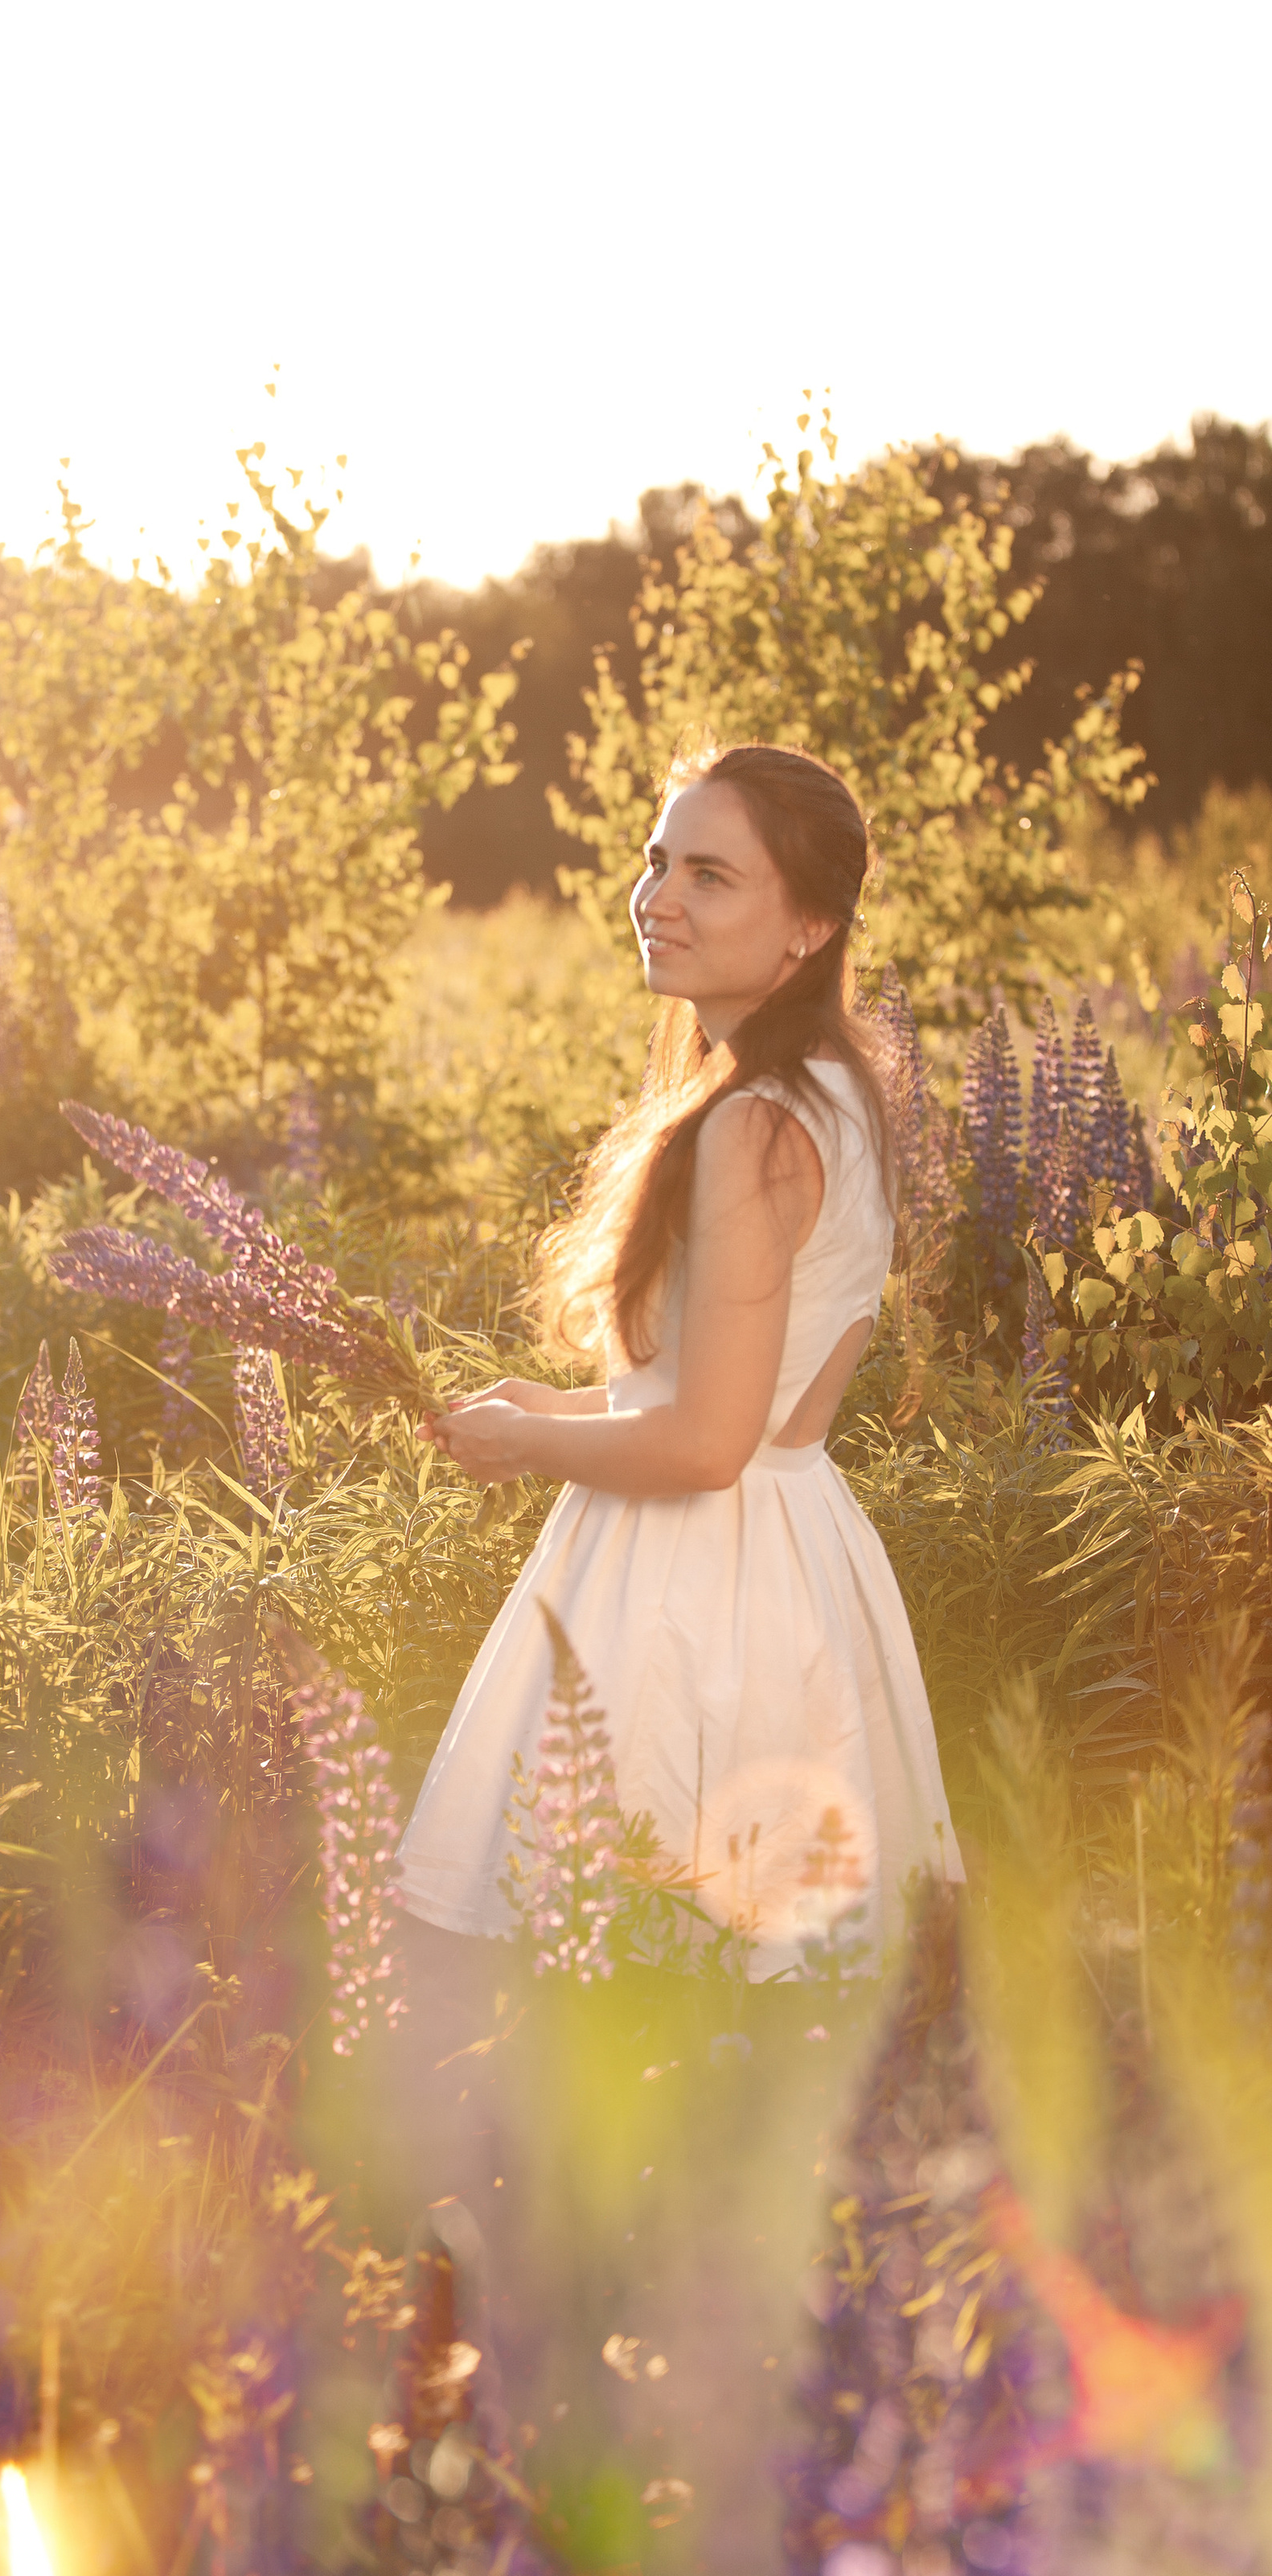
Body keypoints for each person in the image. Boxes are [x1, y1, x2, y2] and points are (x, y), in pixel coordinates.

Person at [399, 742, 960, 1989]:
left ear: (808, 924)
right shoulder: (832, 1094)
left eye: (711, 875)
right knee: (764, 1992)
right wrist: (568, 1402)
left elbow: (709, 1447)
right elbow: (741, 1398)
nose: (660, 895)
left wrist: (528, 1445)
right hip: (797, 1552)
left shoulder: (753, 1125)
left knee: (637, 1967)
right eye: (659, 861)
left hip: (693, 1587)